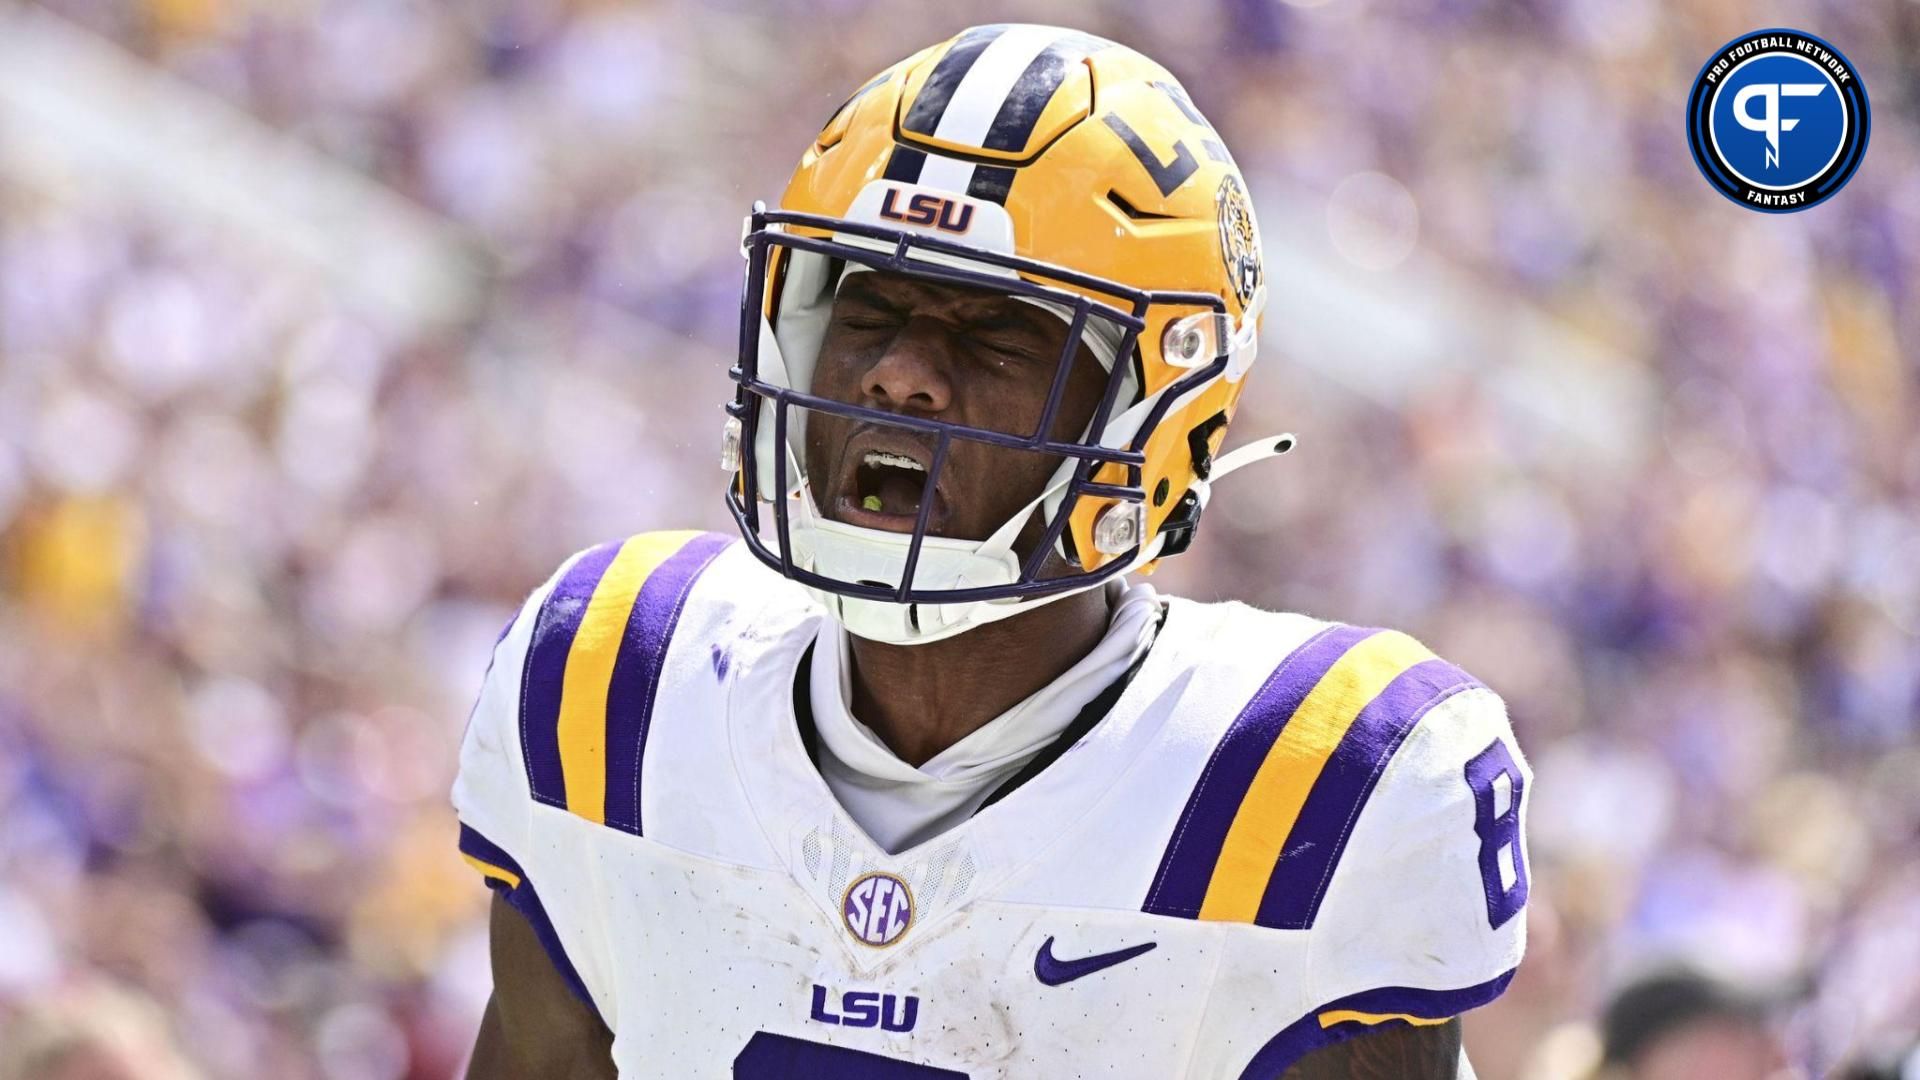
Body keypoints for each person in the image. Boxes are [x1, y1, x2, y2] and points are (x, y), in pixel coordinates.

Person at [454, 24, 1530, 1078]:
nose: (902, 373)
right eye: (869, 305)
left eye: (997, 329)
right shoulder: (616, 679)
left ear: (1157, 411)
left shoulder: (1316, 783)